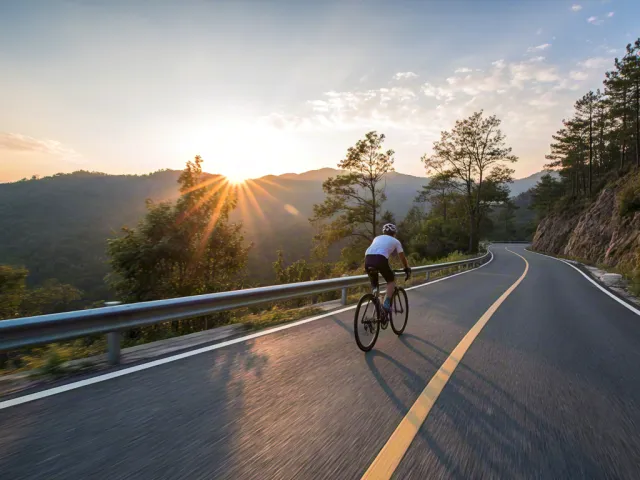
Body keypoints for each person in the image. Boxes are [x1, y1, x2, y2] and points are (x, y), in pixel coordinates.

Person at [364, 223, 411, 312]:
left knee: (375, 283)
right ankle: (386, 303)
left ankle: (375, 295)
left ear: (384, 232)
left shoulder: (376, 238)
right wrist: (406, 268)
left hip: (367, 259)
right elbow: (402, 257)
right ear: (394, 233)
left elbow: (375, 249)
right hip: (380, 259)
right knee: (391, 281)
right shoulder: (396, 241)